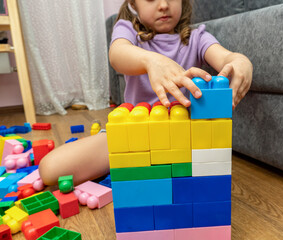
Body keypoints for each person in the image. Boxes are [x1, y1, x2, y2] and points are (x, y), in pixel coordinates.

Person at [39, 0, 253, 186]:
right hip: (134, 137)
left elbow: (226, 58)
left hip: (184, 139)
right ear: (133, 4)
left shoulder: (197, 37)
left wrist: (240, 61)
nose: (163, 5)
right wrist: (151, 61)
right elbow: (117, 54)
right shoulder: (128, 31)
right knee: (50, 169)